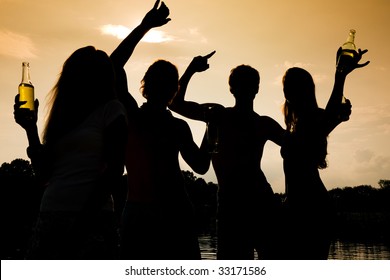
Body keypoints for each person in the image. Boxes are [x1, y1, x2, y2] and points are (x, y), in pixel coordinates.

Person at [110, 0, 211, 260]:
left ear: (145, 84)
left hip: (154, 213)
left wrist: (145, 26)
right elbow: (201, 165)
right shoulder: (172, 125)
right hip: (167, 213)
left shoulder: (134, 116)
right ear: (173, 90)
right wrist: (212, 128)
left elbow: (112, 67)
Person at [13, 46, 127, 259]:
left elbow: (114, 171)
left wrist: (81, 225)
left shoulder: (111, 110)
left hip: (92, 220)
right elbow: (44, 173)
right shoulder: (63, 119)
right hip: (51, 215)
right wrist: (31, 129)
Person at [169, 55, 285, 259]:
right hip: (243, 203)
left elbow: (175, 103)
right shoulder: (225, 117)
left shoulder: (223, 116)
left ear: (231, 89)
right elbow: (300, 146)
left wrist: (191, 70)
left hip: (249, 203)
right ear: (257, 89)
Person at [280, 48, 369, 259]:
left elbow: (323, 122)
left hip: (310, 208)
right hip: (302, 207)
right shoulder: (299, 123)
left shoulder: (310, 120)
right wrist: (336, 119)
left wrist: (340, 75)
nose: (286, 92)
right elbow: (321, 128)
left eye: (289, 87)